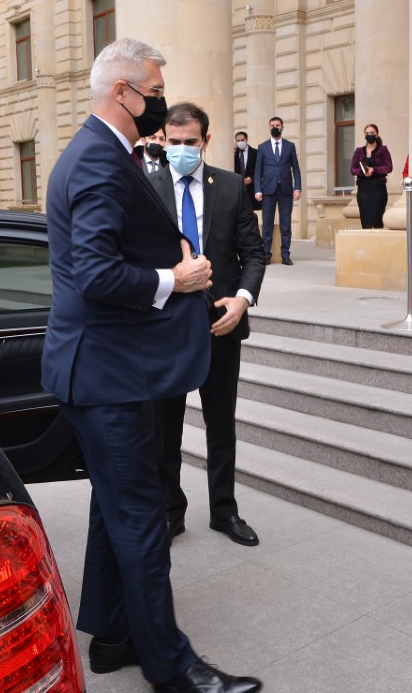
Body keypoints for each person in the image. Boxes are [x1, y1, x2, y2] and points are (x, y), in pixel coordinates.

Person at [40, 38, 262, 693]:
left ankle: (112, 638)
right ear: (123, 93)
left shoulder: (104, 154)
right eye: (155, 89)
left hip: (109, 370)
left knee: (114, 510)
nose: (160, 100)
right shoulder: (99, 163)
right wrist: (179, 277)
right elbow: (94, 273)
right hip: (107, 376)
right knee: (140, 517)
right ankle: (173, 668)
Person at [153, 103, 267, 548]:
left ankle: (224, 511)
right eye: (174, 142)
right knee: (166, 427)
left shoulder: (232, 187)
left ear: (206, 140)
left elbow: (253, 252)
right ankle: (169, 511)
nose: (182, 150)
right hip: (168, 327)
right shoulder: (148, 186)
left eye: (191, 142)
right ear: (164, 141)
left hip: (222, 321)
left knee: (222, 425)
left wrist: (242, 300)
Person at [253, 116, 301, 265]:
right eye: (272, 125)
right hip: (268, 191)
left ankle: (285, 255)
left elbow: (296, 169)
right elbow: (258, 171)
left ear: (282, 127)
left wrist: (297, 188)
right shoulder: (263, 147)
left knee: (285, 225)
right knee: (267, 225)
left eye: (278, 125)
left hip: (286, 191)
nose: (275, 127)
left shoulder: (290, 146)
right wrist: (257, 189)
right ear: (269, 127)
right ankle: (266, 255)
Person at [349, 123, 393, 228]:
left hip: (378, 189)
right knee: (365, 220)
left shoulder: (383, 149)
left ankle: (378, 243)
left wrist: (374, 170)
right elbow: (352, 169)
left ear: (377, 135)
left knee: (377, 220)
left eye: (372, 133)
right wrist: (363, 172)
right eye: (367, 133)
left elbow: (389, 167)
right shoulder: (359, 151)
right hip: (363, 189)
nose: (370, 135)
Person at [233, 131, 261, 210]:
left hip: (251, 189)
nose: (240, 142)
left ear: (246, 140)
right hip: (238, 189)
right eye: (238, 141)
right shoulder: (233, 153)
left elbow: (259, 169)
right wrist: (232, 154)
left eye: (242, 140)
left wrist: (251, 179)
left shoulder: (256, 153)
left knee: (252, 213)